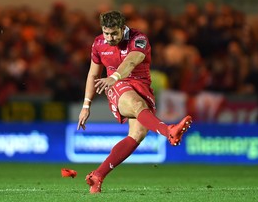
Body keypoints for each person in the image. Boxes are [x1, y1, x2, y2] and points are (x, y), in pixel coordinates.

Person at [77, 10, 193, 194]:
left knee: (137, 134)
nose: (109, 37)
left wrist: (113, 76)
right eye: (106, 33)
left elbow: (132, 61)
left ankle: (97, 176)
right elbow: (93, 74)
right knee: (137, 106)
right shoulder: (99, 43)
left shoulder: (139, 39)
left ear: (123, 28)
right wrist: (86, 105)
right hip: (117, 86)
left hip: (139, 85)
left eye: (114, 33)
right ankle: (168, 130)